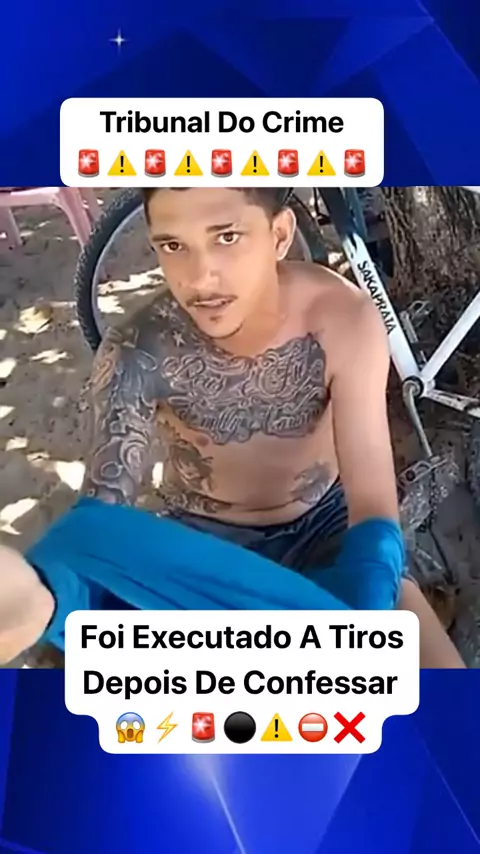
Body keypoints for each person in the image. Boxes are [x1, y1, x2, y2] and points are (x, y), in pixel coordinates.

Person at [0, 187, 464, 667]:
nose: (200, 277)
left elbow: (372, 502)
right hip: (200, 548)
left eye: (226, 237)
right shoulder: (138, 350)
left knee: (442, 688)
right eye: (173, 245)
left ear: (279, 235)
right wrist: (51, 589)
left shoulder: (343, 319)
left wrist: (365, 602)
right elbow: (102, 517)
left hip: (328, 530)